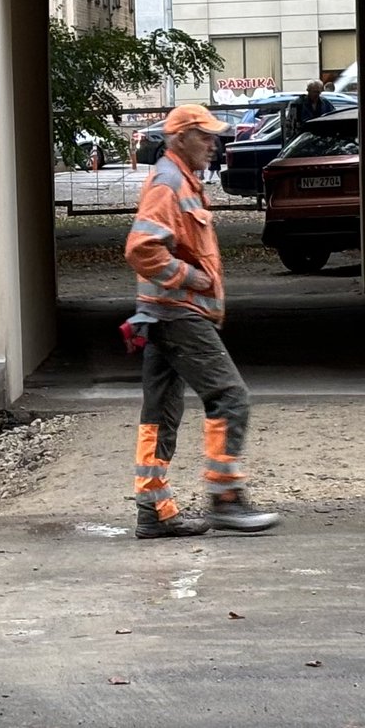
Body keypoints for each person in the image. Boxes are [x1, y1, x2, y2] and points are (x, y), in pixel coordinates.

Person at [123, 104, 280, 540]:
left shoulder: (179, 179)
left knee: (159, 417)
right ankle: (226, 498)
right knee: (230, 397)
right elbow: (141, 248)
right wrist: (193, 279)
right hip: (178, 316)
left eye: (214, 136)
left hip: (162, 315)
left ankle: (153, 511)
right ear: (180, 138)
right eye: (205, 136)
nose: (214, 143)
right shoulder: (170, 181)